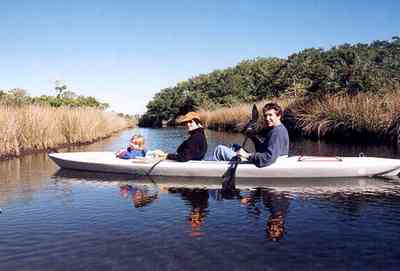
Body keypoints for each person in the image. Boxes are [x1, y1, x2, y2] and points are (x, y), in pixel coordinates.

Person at [213, 102, 289, 167]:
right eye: (265, 115)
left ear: (278, 116)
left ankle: (215, 173)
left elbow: (268, 158)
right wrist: (254, 138)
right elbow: (262, 150)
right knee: (235, 146)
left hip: (268, 164)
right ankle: (227, 165)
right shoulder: (275, 129)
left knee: (219, 150)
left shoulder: (277, 132)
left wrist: (247, 155)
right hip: (268, 161)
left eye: (270, 115)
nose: (267, 118)